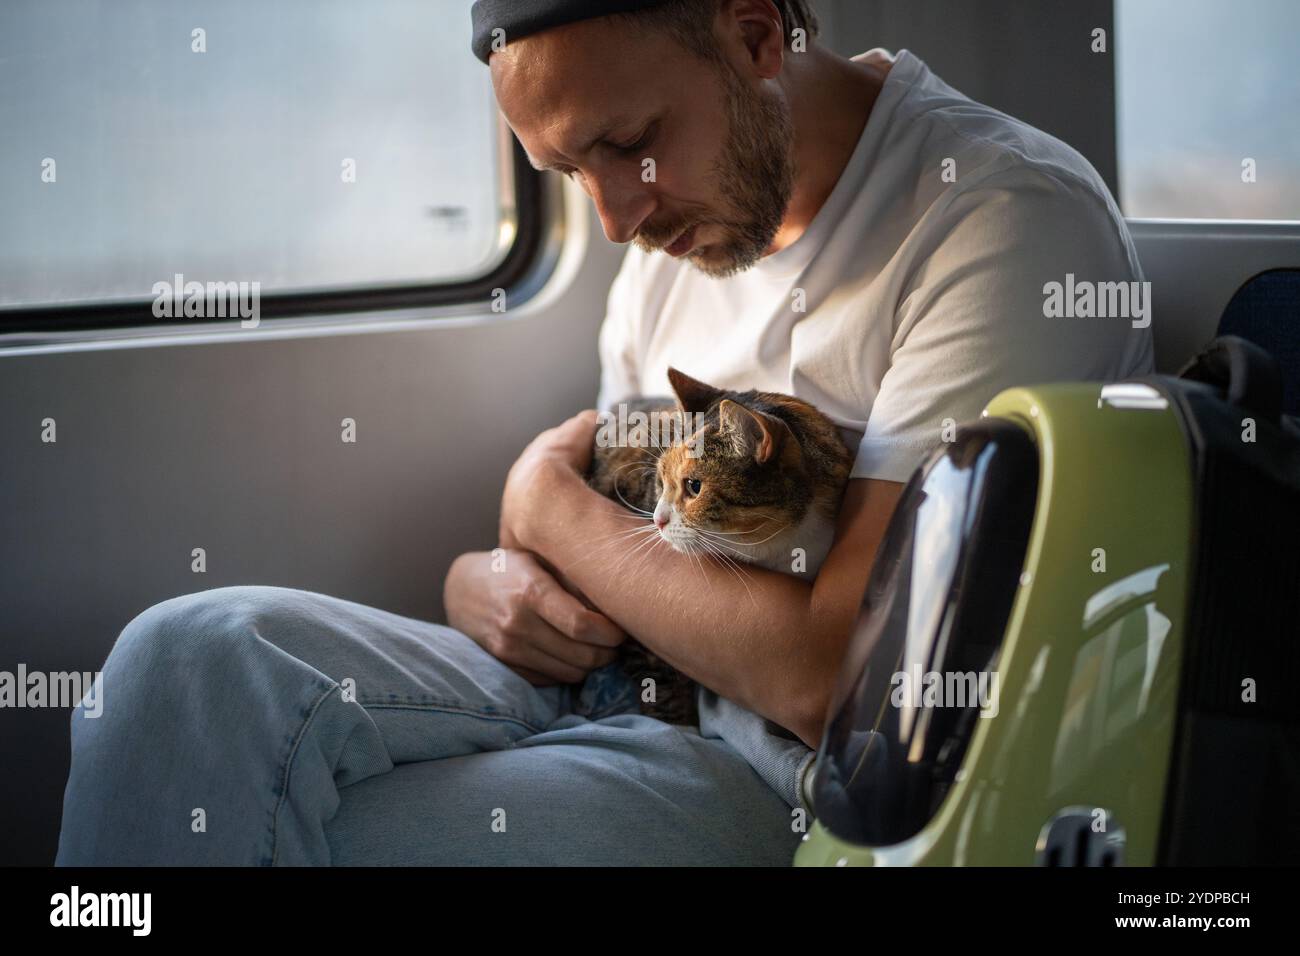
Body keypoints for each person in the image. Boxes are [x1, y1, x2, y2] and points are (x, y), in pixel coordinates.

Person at [56, 0, 1151, 865]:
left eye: (626, 144)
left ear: (756, 32)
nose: (617, 219)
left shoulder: (1000, 222)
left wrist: (540, 502)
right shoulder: (671, 249)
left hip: (772, 774)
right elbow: (616, 542)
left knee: (278, 832)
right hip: (602, 682)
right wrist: (484, 575)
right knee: (180, 659)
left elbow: (837, 678)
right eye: (568, 174)